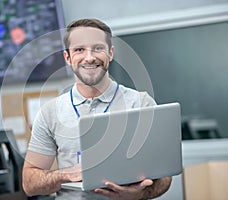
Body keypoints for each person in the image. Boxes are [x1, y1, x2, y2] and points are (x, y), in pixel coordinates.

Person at [22, 18, 172, 200]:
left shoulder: (141, 103)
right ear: (67, 58)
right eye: (79, 49)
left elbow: (165, 177)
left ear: (111, 53)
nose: (90, 57)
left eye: (98, 48)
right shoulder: (49, 112)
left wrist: (139, 195)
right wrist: (66, 175)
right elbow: (29, 184)